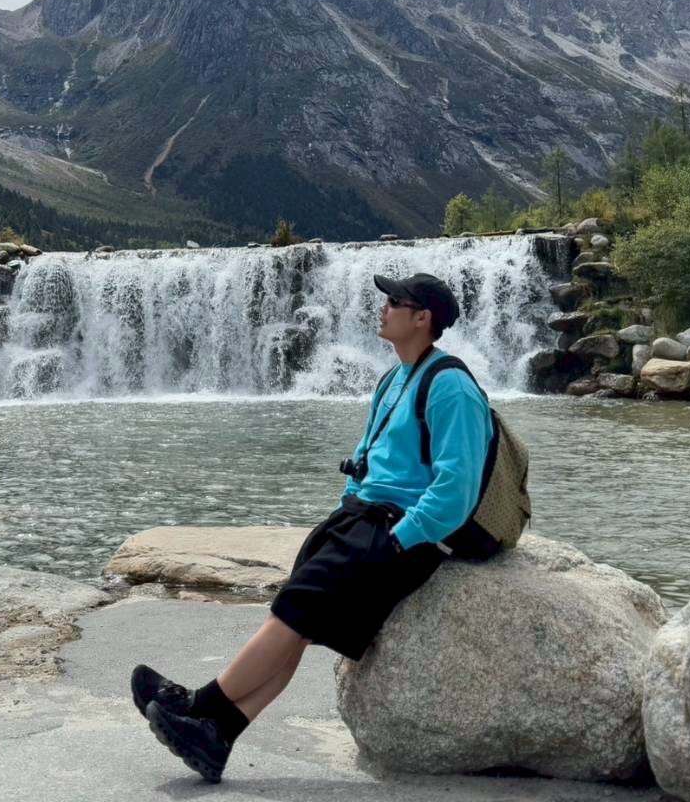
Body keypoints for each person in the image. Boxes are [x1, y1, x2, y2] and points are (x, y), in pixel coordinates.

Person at [133, 271, 495, 783]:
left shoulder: (451, 386)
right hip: (363, 518)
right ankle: (218, 736)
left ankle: (199, 705)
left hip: (400, 531)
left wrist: (399, 541)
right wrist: (347, 505)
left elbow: (456, 491)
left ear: (422, 318)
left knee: (293, 613)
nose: (383, 308)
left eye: (395, 301)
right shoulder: (394, 379)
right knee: (297, 623)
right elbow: (369, 458)